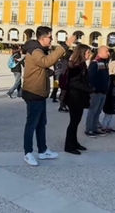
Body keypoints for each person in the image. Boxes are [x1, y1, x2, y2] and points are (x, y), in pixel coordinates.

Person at [21, 27, 71, 166]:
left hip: (39, 92)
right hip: (33, 92)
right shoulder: (36, 50)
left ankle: (42, 150)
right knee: (32, 124)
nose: (51, 39)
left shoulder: (38, 50)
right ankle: (28, 152)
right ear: (42, 38)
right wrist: (65, 45)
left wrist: (47, 73)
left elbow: (40, 67)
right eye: (50, 37)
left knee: (41, 123)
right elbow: (46, 62)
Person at [61, 44, 93, 155]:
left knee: (76, 121)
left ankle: (74, 143)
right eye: (88, 52)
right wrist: (90, 89)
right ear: (82, 53)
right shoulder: (75, 67)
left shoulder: (81, 65)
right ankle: (69, 146)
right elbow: (74, 83)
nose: (89, 54)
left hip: (78, 97)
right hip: (74, 98)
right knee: (74, 122)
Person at [86, 45, 111, 137]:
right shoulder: (95, 63)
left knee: (98, 111)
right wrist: (93, 89)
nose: (108, 53)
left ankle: (94, 128)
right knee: (92, 111)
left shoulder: (104, 63)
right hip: (96, 92)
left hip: (103, 91)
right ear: (100, 52)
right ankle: (89, 129)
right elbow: (91, 77)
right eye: (106, 51)